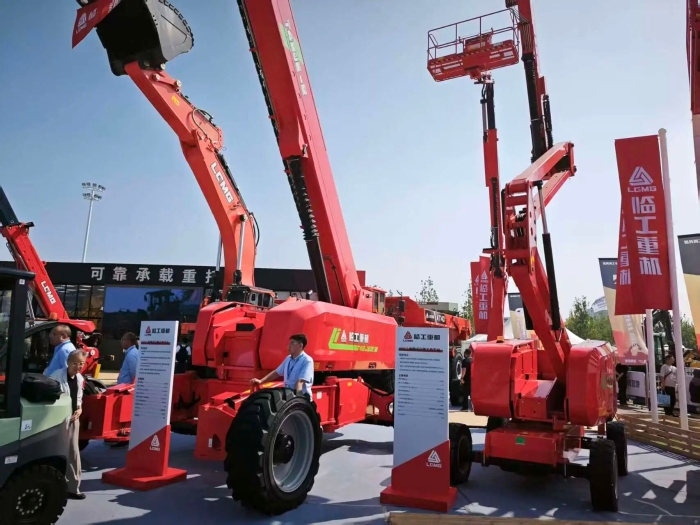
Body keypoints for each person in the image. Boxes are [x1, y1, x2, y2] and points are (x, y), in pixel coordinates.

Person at [50, 349, 87, 500]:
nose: (78, 367)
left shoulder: (79, 378)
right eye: (75, 363)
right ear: (68, 362)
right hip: (57, 421)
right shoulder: (56, 376)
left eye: (81, 364)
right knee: (55, 451)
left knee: (73, 452)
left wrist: (79, 408)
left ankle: (73, 488)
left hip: (73, 420)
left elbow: (79, 397)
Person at [250, 334, 313, 399]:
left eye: (292, 343)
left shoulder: (307, 361)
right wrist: (260, 381)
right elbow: (277, 373)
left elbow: (300, 382)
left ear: (300, 346)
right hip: (289, 395)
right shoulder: (288, 359)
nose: (289, 346)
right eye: (289, 343)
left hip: (301, 396)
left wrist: (298, 399)